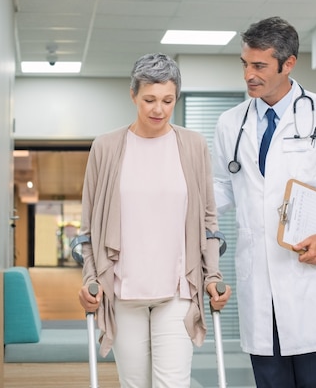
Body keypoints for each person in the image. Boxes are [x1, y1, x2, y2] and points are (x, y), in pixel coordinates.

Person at [212, 17, 316, 387]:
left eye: (259, 66)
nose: (248, 75)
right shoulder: (230, 123)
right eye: (245, 64)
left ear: (288, 64)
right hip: (258, 275)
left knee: (312, 381)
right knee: (269, 381)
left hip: (307, 271)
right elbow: (222, 188)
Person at [78, 52, 231, 388]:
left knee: (173, 383)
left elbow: (208, 220)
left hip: (177, 291)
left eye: (167, 100)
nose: (158, 109)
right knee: (134, 384)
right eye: (149, 99)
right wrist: (91, 278)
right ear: (133, 95)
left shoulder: (192, 145)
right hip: (122, 290)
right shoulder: (105, 147)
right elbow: (87, 229)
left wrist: (212, 275)